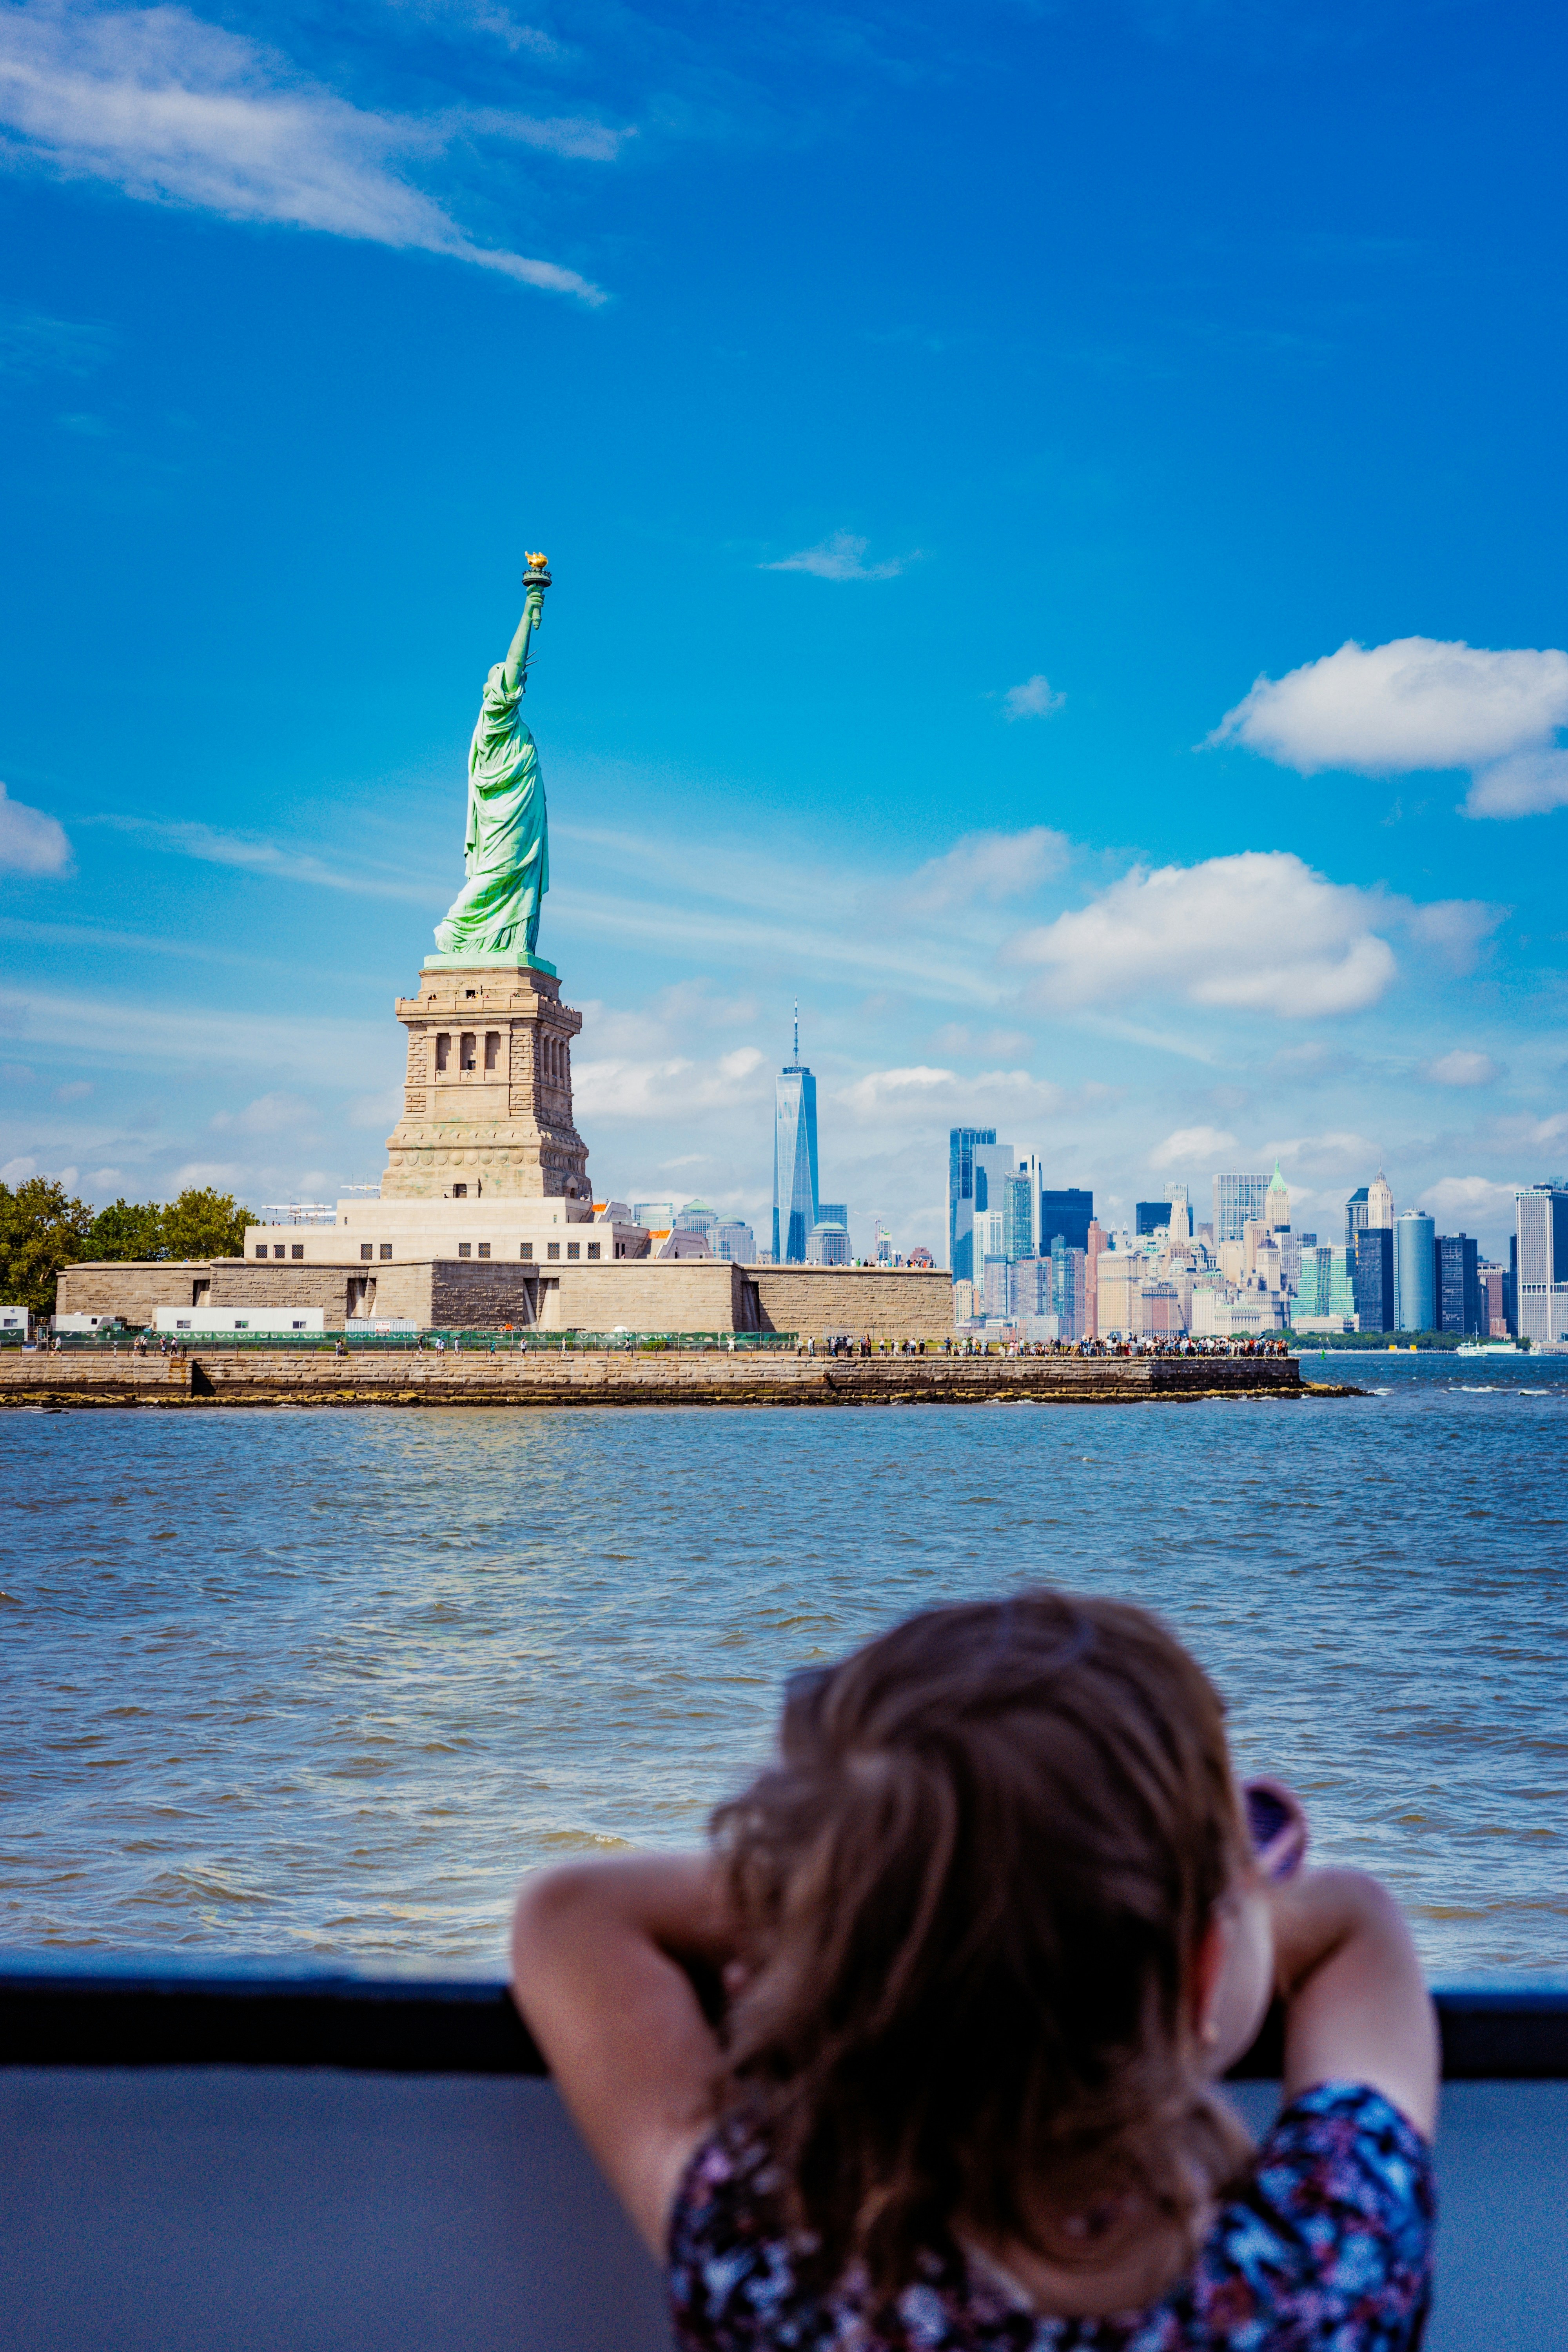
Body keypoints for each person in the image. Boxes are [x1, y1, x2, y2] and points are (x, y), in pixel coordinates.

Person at [512, 1591, 1436, 2352]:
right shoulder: (1321, 2268)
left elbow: (573, 1918)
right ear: (1200, 1974)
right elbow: (1356, 1924)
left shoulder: (774, 2268)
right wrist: (1227, 1895)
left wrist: (869, 1889)